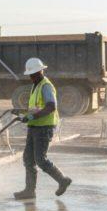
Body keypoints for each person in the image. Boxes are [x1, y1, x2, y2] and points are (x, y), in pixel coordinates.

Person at [13, 57, 72, 201]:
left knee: (40, 159)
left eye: (33, 74)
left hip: (44, 127)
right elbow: (36, 108)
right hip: (35, 126)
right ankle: (29, 190)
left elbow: (51, 107)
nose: (31, 77)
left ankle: (62, 180)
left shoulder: (46, 86)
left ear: (41, 71)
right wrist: (22, 113)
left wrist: (31, 117)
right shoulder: (36, 85)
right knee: (28, 158)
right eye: (30, 75)